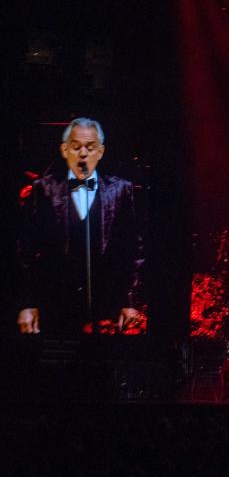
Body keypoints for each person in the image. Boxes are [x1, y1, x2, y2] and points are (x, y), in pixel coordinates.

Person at [17, 117, 143, 334]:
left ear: (100, 152)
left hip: (106, 310)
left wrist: (130, 302)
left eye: (90, 147)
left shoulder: (121, 190)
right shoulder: (43, 190)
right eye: (76, 147)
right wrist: (28, 303)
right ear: (65, 150)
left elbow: (133, 249)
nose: (83, 153)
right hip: (55, 306)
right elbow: (26, 249)